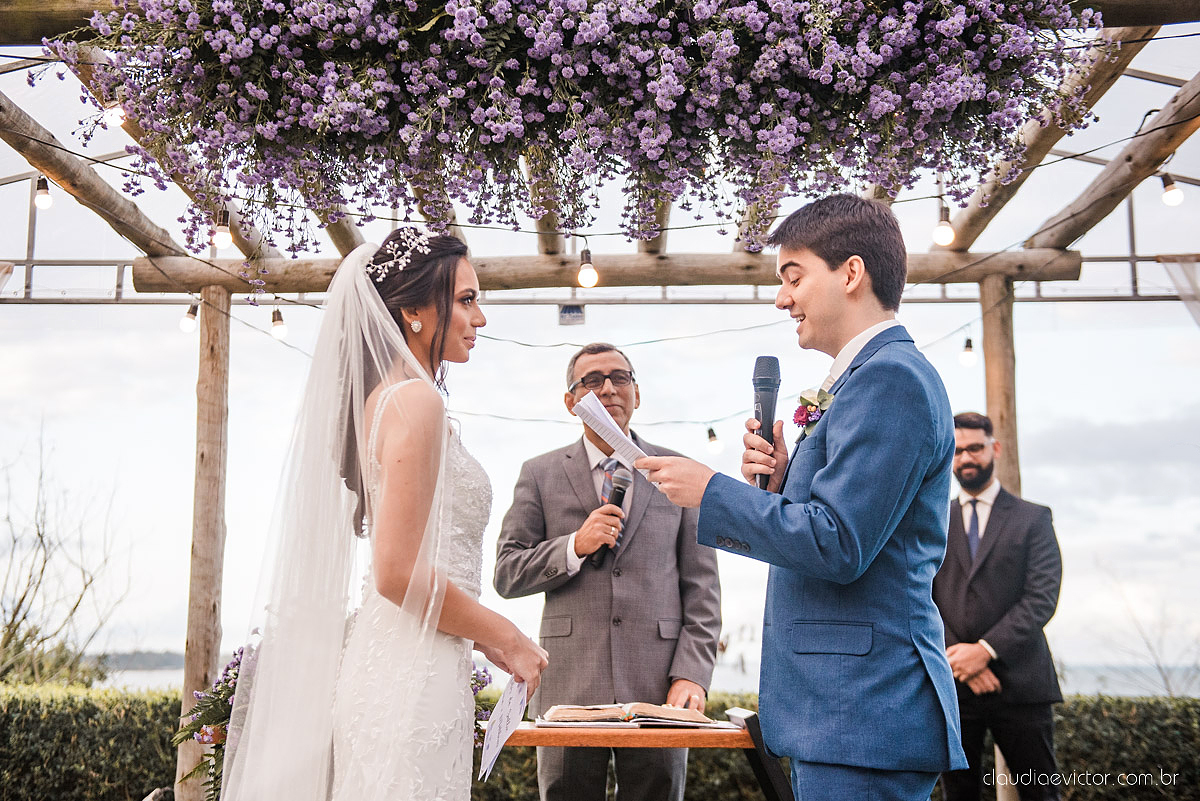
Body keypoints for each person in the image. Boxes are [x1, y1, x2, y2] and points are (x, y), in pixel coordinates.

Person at [638, 193, 969, 801]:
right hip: (842, 715)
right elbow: (847, 522)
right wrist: (787, 479)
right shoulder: (865, 378)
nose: (780, 298)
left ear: (850, 273)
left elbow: (838, 544)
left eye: (793, 277)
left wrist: (712, 491)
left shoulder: (889, 379)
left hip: (862, 713)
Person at [221, 228, 548, 801]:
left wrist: (482, 642)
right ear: (415, 311)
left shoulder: (390, 397)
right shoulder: (415, 401)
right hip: (409, 684)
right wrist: (509, 634)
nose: (481, 318)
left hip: (410, 663)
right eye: (467, 300)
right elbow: (396, 572)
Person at [493, 342, 721, 801]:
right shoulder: (538, 473)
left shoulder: (680, 472)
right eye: (592, 381)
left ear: (637, 392)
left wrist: (692, 674)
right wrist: (574, 546)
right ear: (571, 402)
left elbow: (703, 590)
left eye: (620, 378)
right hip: (569, 681)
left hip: (659, 685)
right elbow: (506, 572)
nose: (609, 389)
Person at [934, 412, 1064, 801]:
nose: (966, 459)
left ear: (995, 448)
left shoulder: (1033, 518)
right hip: (953, 685)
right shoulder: (934, 520)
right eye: (957, 451)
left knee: (1041, 795)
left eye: (974, 448)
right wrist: (962, 660)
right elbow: (920, 596)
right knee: (958, 796)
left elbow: (1042, 597)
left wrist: (984, 652)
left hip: (1021, 684)